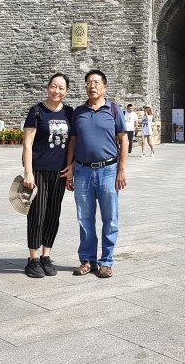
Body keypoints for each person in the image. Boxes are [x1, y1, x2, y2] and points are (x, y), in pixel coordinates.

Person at [66, 69, 126, 279]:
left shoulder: (114, 110)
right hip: (82, 170)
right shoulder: (78, 112)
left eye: (96, 82)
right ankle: (88, 260)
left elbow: (124, 140)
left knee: (110, 218)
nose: (92, 86)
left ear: (105, 87)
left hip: (108, 170)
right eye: (89, 82)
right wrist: (70, 166)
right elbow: (73, 141)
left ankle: (106, 262)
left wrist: (121, 170)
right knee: (84, 218)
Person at [21, 73, 74, 278]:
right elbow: (27, 143)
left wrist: (71, 166)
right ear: (48, 87)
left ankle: (46, 255)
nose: (56, 91)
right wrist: (28, 172)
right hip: (39, 170)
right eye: (53, 86)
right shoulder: (36, 111)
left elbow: (73, 142)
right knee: (37, 213)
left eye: (61, 88)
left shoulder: (69, 112)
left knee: (53, 214)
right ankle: (33, 258)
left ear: (66, 91)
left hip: (59, 171)